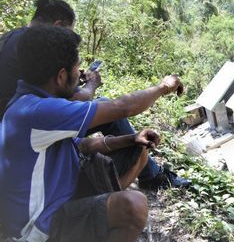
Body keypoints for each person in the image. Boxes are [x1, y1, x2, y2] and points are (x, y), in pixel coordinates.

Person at [0, 26, 185, 241]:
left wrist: (130, 139)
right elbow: (123, 107)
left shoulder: (33, 103)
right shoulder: (37, 111)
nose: (80, 74)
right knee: (133, 206)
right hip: (38, 228)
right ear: (61, 76)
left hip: (59, 194)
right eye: (77, 69)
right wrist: (164, 86)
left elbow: (81, 145)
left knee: (138, 151)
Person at [0, 0, 190, 189]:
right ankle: (151, 176)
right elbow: (119, 107)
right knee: (109, 109)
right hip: (35, 129)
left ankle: (144, 170)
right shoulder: (33, 53)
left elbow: (52, 91)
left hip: (18, 128)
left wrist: (70, 78)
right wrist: (163, 87)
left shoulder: (15, 39)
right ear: (57, 26)